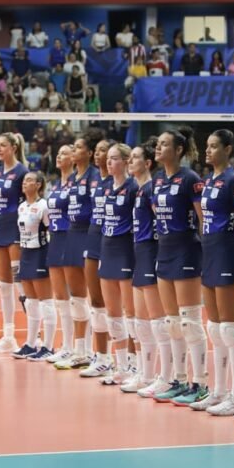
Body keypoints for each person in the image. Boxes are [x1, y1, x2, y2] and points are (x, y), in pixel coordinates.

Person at [194, 130, 234, 416]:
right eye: (207, 146)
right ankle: (218, 391)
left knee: (230, 328)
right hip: (210, 252)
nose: (208, 150)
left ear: (228, 149)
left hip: (228, 252)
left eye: (214, 146)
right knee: (215, 329)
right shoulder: (209, 181)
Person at [148, 127, 207, 405]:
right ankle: (179, 380)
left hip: (186, 250)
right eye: (157, 144)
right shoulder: (158, 180)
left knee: (189, 322)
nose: (158, 148)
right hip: (165, 250)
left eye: (164, 144)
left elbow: (203, 218)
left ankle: (201, 383)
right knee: (171, 323)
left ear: (179, 150)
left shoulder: (190, 178)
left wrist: (207, 251)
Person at [53, 131, 105, 370]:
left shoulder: (95, 176)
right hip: (72, 233)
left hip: (89, 234)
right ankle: (80, 350)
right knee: (76, 298)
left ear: (89, 153)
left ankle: (100, 353)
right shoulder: (72, 177)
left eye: (78, 147)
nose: (74, 151)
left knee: (96, 298)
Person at [125, 139, 165, 395]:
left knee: (158, 321)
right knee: (140, 322)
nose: (130, 161)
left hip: (151, 252)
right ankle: (145, 374)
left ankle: (165, 376)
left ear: (148, 163)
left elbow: (162, 222)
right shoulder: (139, 190)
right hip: (139, 252)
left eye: (135, 157)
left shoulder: (151, 189)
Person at [96, 143, 138, 384]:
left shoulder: (133, 187)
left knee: (131, 313)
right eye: (108, 158)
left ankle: (136, 365)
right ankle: (121, 366)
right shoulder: (105, 188)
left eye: (114, 158)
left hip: (125, 251)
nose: (109, 162)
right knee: (112, 314)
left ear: (126, 161)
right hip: (107, 248)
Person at [30, 146, 75, 361]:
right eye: (59, 153)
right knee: (61, 299)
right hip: (55, 239)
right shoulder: (56, 185)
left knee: (77, 299)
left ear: (74, 158)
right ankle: (66, 346)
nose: (59, 156)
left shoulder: (77, 183)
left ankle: (82, 349)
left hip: (71, 239)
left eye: (65, 153)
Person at [0, 132, 28, 353]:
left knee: (20, 282)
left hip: (16, 229)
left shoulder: (22, 172)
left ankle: (36, 336)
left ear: (13, 147)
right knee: (3, 284)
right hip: (0, 227)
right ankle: (8, 336)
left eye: (3, 145)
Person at [12, 171, 58, 358]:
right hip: (26, 253)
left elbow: (51, 230)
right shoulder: (22, 207)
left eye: (29, 180)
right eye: (24, 180)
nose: (25, 183)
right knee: (30, 302)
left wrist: (51, 256)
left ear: (38, 185)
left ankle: (48, 347)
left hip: (40, 253)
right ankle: (30, 344)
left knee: (46, 302)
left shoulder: (43, 206)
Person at [78, 136, 113, 377]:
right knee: (96, 302)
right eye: (98, 151)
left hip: (112, 241)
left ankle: (126, 360)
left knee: (117, 305)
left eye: (104, 151)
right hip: (93, 238)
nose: (99, 155)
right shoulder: (95, 182)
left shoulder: (120, 182)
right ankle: (101, 356)